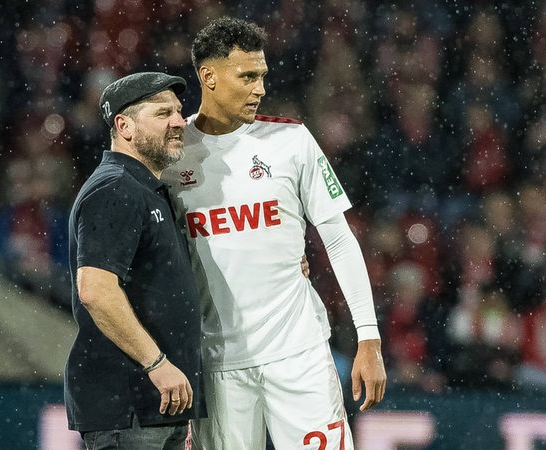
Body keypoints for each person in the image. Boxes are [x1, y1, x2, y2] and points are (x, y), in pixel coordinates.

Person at [163, 16, 386, 450]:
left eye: (262, 76)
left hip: (299, 354)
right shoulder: (172, 156)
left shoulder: (292, 141)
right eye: (246, 76)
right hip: (217, 365)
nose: (259, 88)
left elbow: (338, 239)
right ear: (208, 77)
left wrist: (369, 335)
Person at [64, 71, 204, 449]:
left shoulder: (147, 188)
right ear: (124, 126)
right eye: (162, 114)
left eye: (178, 111)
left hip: (157, 403)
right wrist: (157, 365)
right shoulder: (116, 187)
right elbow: (95, 289)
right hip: (131, 403)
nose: (179, 121)